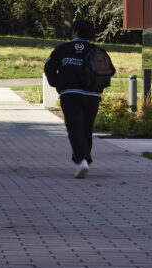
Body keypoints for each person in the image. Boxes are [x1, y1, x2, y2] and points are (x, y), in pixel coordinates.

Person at [43, 19, 112, 178]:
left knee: (75, 128)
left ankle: (81, 160)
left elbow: (49, 67)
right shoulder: (97, 50)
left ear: (75, 32)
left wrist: (57, 84)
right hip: (92, 96)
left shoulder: (63, 49)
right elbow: (107, 71)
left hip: (70, 94)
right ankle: (83, 160)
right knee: (87, 129)